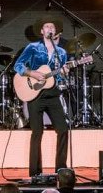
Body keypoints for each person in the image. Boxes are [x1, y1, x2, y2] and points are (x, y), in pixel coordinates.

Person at [13, 16, 69, 177]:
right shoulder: (33, 47)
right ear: (42, 31)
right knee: (37, 132)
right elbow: (18, 65)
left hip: (53, 95)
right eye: (47, 26)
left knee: (63, 130)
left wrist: (63, 73)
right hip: (35, 95)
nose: (50, 29)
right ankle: (35, 173)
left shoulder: (61, 52)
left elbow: (59, 78)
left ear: (56, 31)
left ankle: (61, 169)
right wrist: (32, 73)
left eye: (52, 26)